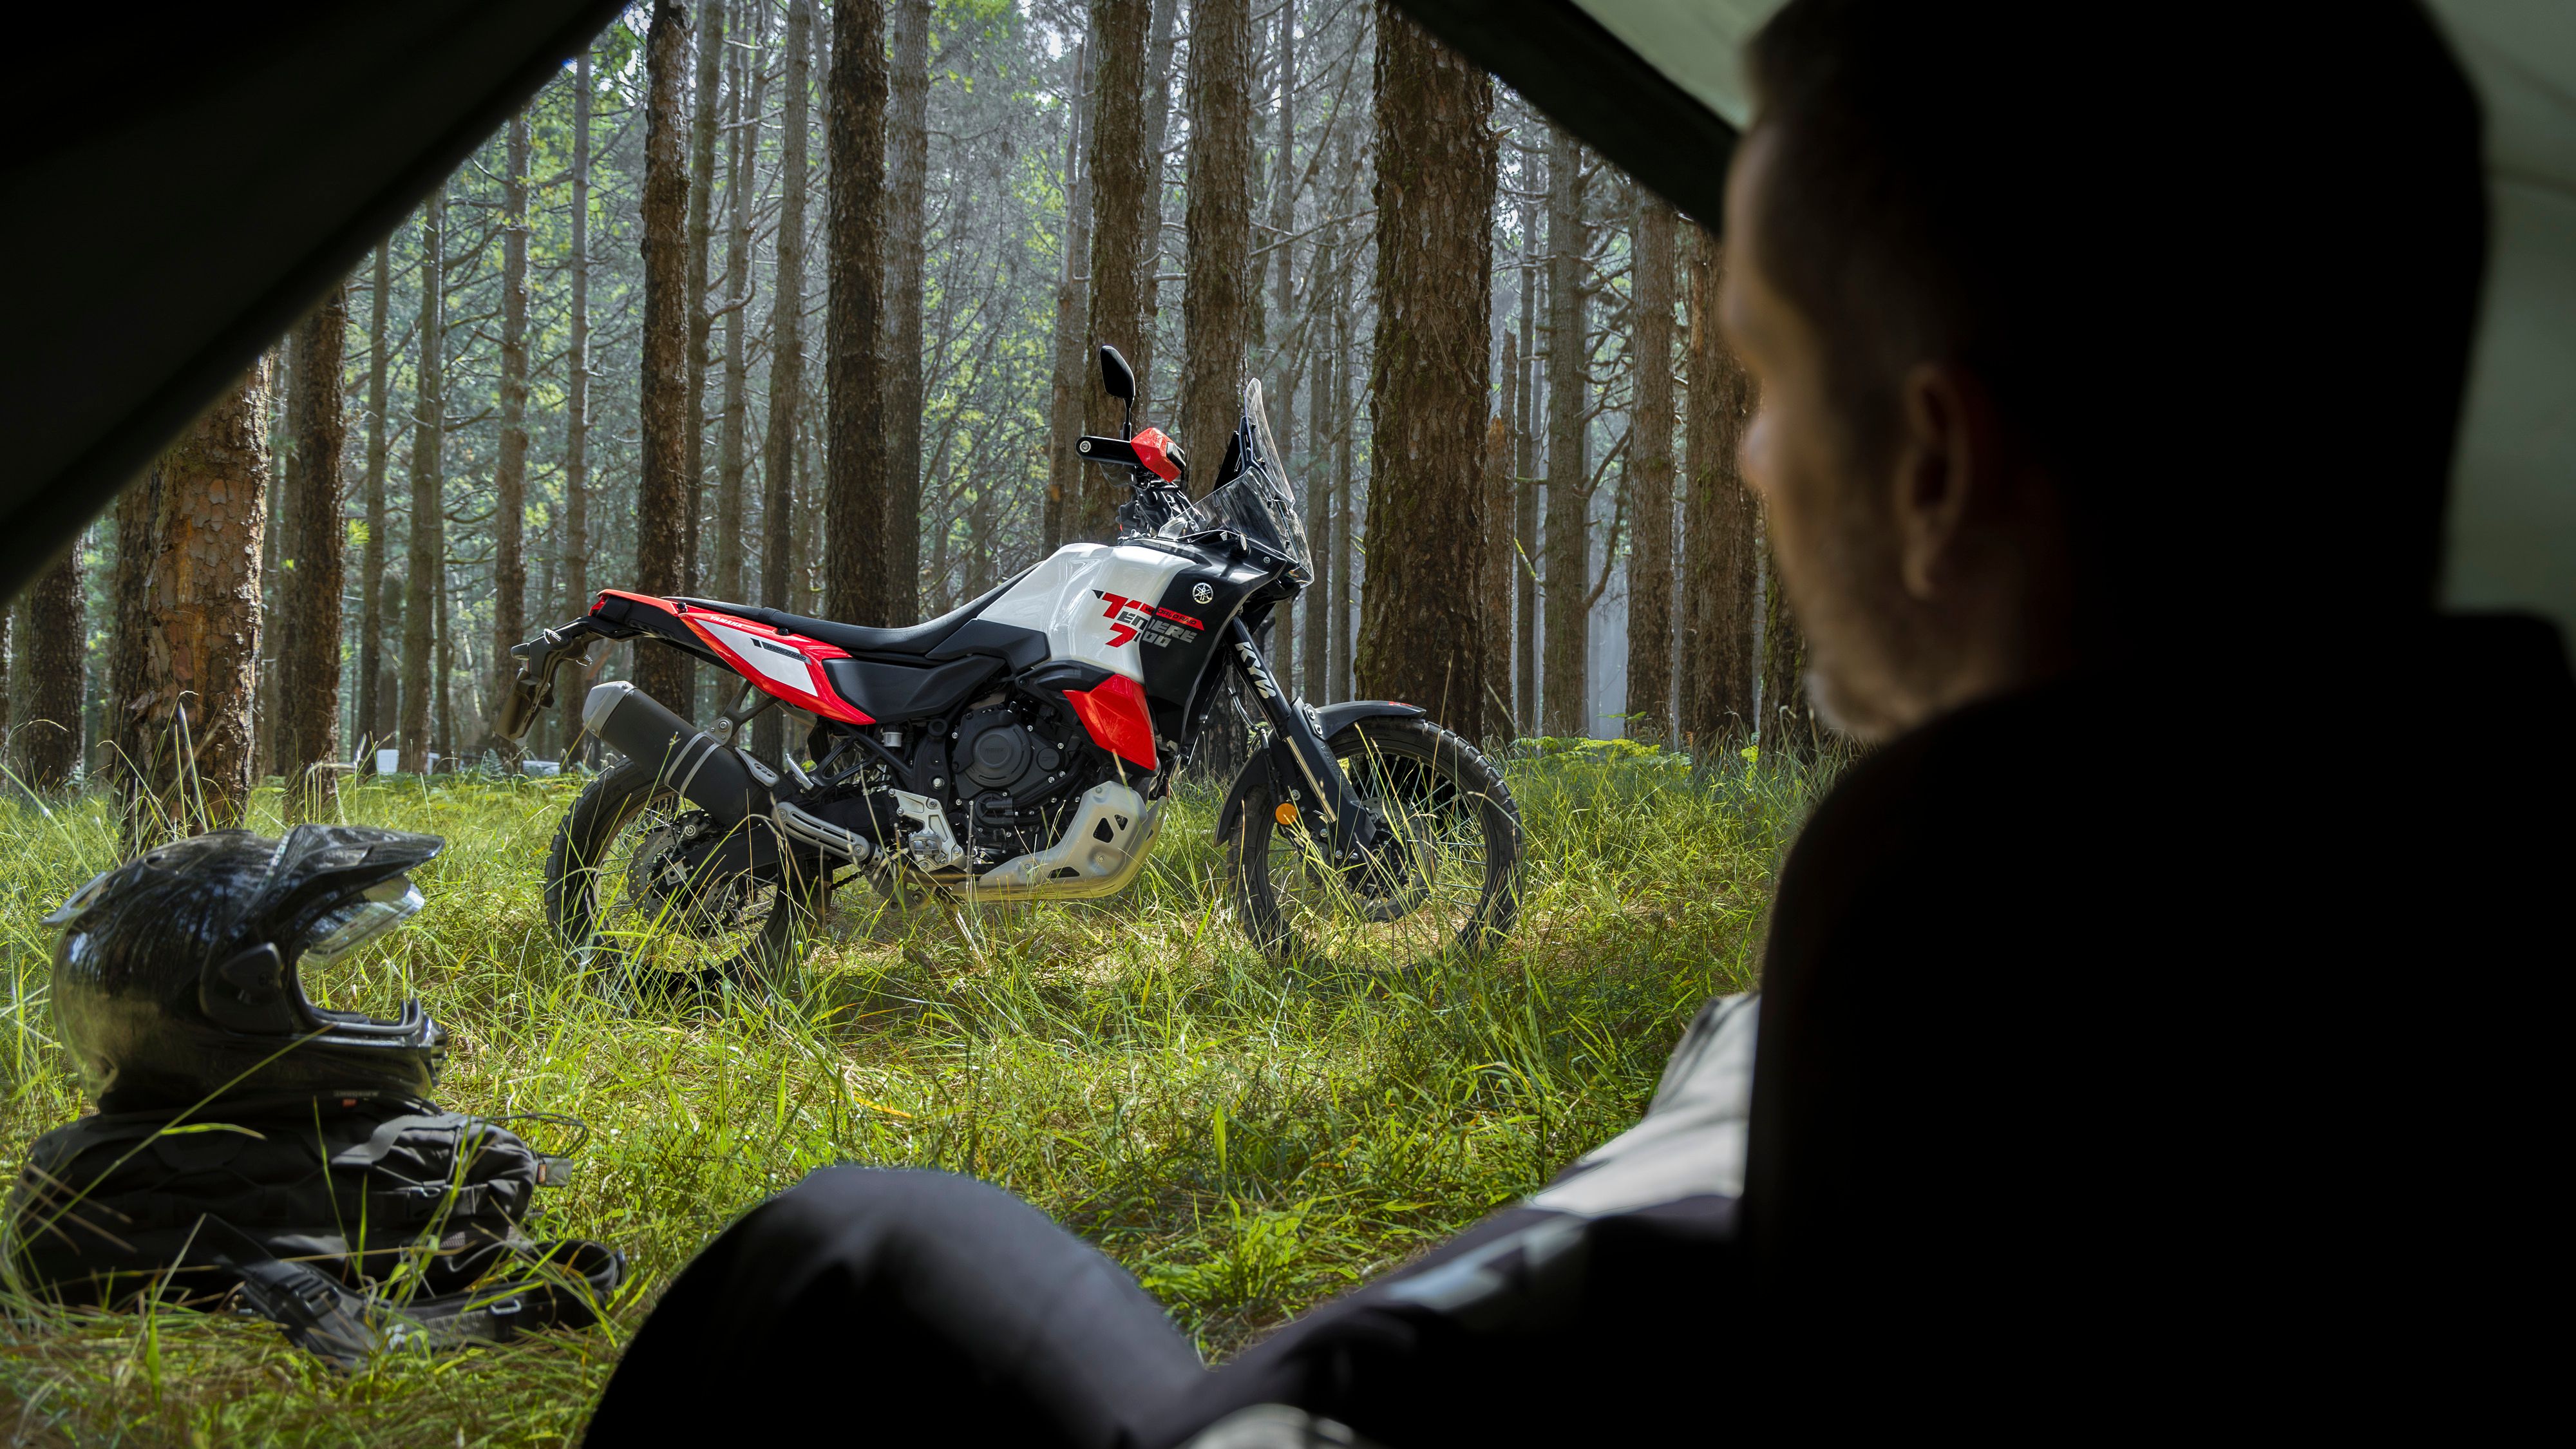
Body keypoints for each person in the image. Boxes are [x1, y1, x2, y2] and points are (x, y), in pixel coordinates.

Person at [588, 2, 2566, 1441]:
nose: (1744, 465)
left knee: (849, 1255)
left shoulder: (1956, 918)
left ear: (1942, 464)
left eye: (1766, 381)